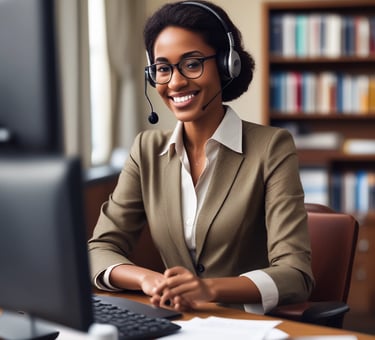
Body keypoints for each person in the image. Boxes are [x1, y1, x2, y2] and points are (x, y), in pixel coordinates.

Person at [88, 0, 314, 314]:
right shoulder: (146, 150)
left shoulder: (272, 147)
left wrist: (207, 289)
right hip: (179, 323)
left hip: (246, 326)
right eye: (163, 68)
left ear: (226, 64)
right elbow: (99, 249)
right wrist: (148, 280)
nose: (176, 82)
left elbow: (295, 275)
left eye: (192, 63)